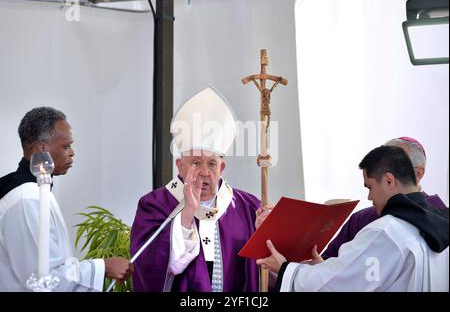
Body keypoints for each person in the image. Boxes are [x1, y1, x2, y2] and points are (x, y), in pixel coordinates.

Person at [130, 87, 271, 291]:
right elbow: (149, 268)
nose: (204, 172)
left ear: (221, 168)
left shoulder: (248, 207)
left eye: (212, 164)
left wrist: (264, 234)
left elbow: (268, 272)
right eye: (196, 163)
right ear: (180, 166)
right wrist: (187, 215)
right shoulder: (154, 205)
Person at [257, 145, 449, 291]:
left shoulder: (387, 231)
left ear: (389, 180)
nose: (369, 197)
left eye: (370, 187)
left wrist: (285, 269)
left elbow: (338, 286)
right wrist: (327, 268)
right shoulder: (440, 223)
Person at [0, 107, 133, 291]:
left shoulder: (36, 191)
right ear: (42, 148)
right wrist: (104, 266)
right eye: (66, 146)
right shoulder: (26, 199)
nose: (72, 152)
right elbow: (42, 279)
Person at [322, 137, 447, 259]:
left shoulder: (442, 218)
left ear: (418, 173)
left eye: (400, 164)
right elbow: (329, 262)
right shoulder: (360, 219)